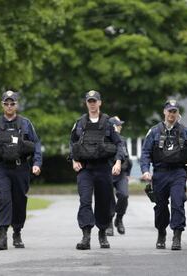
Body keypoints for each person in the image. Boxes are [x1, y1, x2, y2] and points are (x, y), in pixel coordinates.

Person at [0, 90, 42, 250]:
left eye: (12, 103)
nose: (10, 106)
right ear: (2, 104)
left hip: (21, 168)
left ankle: (17, 232)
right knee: (4, 199)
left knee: (19, 201)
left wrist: (37, 163)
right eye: (6, 103)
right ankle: (2, 236)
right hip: (1, 168)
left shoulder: (26, 124)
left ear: (17, 105)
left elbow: (36, 144)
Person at [140, 99, 187, 250]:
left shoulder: (185, 132)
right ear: (164, 112)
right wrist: (145, 170)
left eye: (174, 111)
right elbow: (145, 152)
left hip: (178, 173)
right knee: (161, 206)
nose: (172, 114)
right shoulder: (154, 131)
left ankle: (177, 235)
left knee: (178, 203)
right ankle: (161, 232)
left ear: (177, 113)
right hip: (160, 173)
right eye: (169, 111)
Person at [69, 90, 124, 250]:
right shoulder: (79, 123)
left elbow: (119, 143)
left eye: (95, 101)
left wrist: (118, 162)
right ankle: (86, 236)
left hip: (103, 168)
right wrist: (73, 160)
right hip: (85, 169)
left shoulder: (109, 123)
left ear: (100, 103)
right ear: (86, 103)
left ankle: (102, 233)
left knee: (103, 202)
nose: (92, 104)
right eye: (89, 101)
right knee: (85, 201)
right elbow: (72, 143)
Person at [106, 116, 132, 236]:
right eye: (118, 124)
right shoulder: (104, 140)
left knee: (124, 195)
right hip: (106, 174)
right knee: (108, 199)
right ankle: (109, 223)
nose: (121, 126)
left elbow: (127, 159)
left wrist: (128, 173)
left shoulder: (122, 140)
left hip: (121, 174)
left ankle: (119, 219)